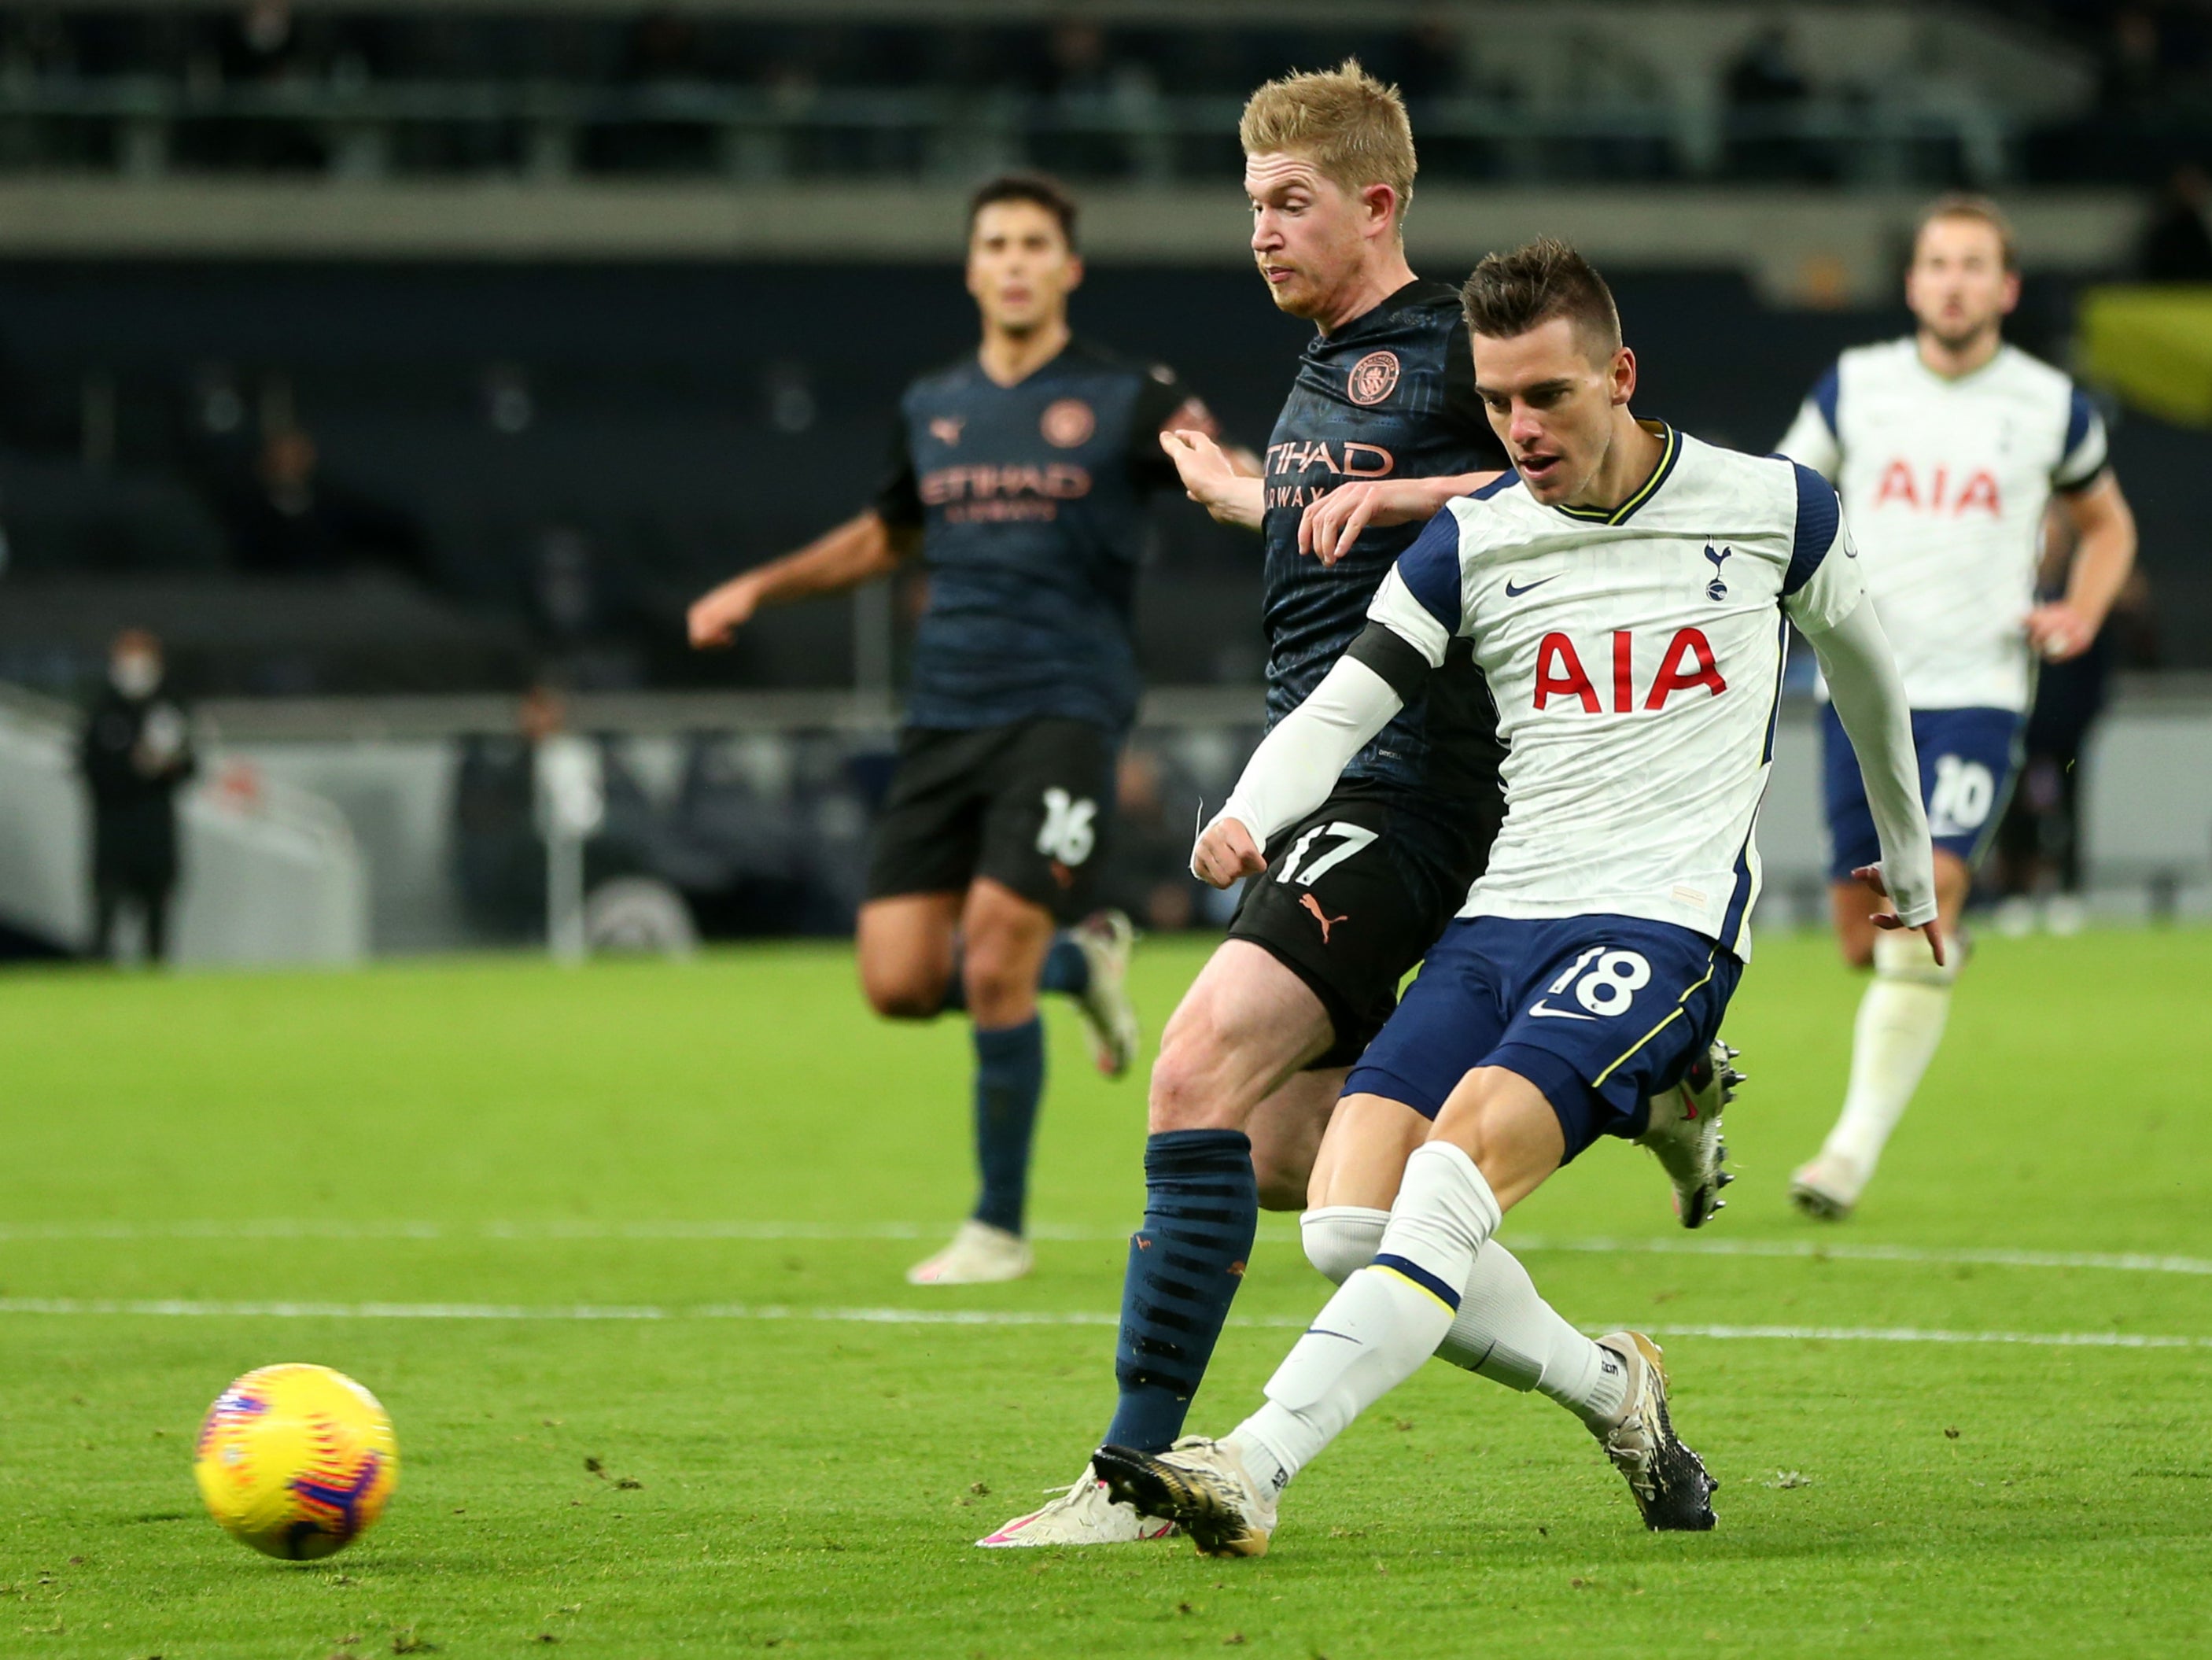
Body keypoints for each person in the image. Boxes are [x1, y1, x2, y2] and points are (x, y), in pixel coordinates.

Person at [982, 63, 1734, 1552]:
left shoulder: (1453, 341)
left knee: (1191, 1066)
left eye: (1290, 203)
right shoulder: (1326, 357)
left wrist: (1404, 502)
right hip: (1350, 778)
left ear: (1376, 205)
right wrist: (1244, 493)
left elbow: (1595, 480)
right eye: (1251, 204)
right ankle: (1612, 1376)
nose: (1260, 232)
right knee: (1301, 1178)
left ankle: (1133, 1479)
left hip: (1413, 784)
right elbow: (1341, 503)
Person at [1091, 237, 1938, 1556]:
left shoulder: (1773, 504)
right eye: (1493, 402)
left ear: (1620, 374)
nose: (1519, 428)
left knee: (1451, 1173)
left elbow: (1870, 679)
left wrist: (1907, 859)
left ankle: (1254, 1460)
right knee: (1343, 1222)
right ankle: (1615, 1389)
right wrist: (1251, 813)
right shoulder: (1473, 540)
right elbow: (1340, 706)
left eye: (1546, 396)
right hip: (1503, 920)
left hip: (1658, 924)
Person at [688, 172, 1226, 1286]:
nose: (1017, 260)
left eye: (1037, 242)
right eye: (998, 243)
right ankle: (1079, 969)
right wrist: (757, 587)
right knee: (892, 981)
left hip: (1066, 708)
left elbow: (1216, 471)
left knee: (990, 953)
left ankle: (996, 1226)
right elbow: (884, 537)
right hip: (944, 714)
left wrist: (1286, 489)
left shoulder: (1130, 394)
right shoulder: (934, 403)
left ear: (1068, 268)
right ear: (973, 266)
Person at [1776, 194, 2138, 1220]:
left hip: (1977, 694)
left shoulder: (2050, 403)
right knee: (1864, 937)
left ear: (2007, 289)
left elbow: (2108, 527)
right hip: (1861, 690)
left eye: (1976, 265)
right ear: (1913, 282)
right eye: (1939, 262)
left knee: (1915, 910)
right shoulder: (1858, 387)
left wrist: (2082, 608)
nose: (1955, 281)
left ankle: (1845, 1155)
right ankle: (1938, 953)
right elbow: (1783, 492)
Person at [80, 629, 197, 964]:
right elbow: (90, 770)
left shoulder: (170, 707)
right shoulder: (103, 710)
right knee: (104, 922)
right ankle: (97, 988)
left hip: (156, 834)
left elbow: (191, 767)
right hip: (113, 835)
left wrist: (168, 766)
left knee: (157, 926)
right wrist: (135, 768)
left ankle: (157, 995)